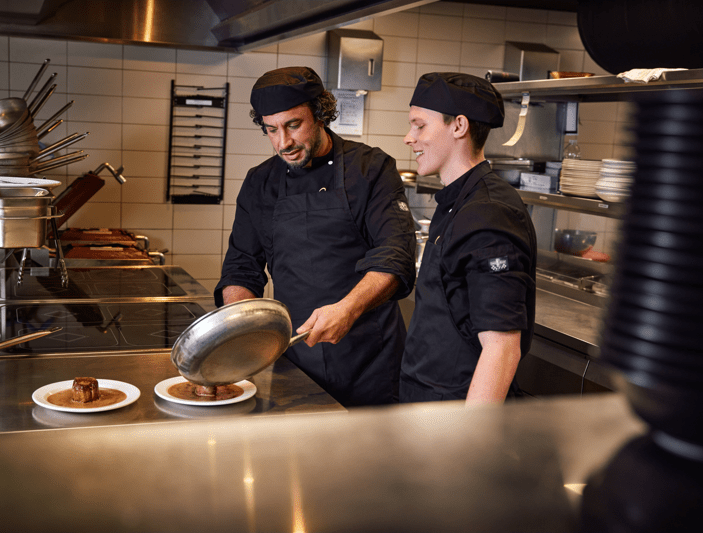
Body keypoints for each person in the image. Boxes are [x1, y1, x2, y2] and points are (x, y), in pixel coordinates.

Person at [215, 66, 416, 407]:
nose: (284, 143)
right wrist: (241, 330)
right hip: (294, 357)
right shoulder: (259, 183)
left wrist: (348, 309)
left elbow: (395, 253)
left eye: (294, 125)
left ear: (321, 114)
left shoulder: (370, 169)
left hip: (369, 359)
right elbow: (241, 266)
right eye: (271, 130)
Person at [400, 72, 536, 405]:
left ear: (459, 126)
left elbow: (502, 347)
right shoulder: (458, 201)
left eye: (419, 126)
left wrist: (469, 440)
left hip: (453, 416)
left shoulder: (488, 213)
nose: (408, 137)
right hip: (427, 405)